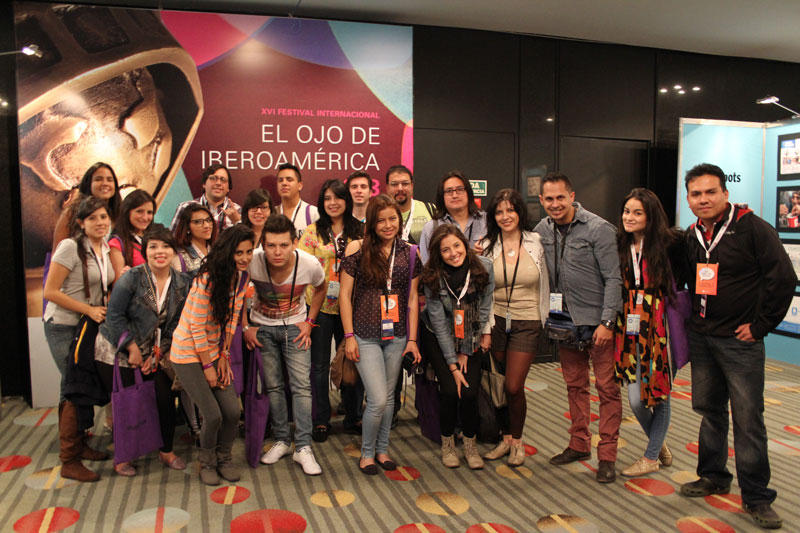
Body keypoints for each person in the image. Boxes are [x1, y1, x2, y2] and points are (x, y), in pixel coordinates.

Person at [679, 163, 796, 530]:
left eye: (710, 192)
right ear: (688, 198)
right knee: (709, 410)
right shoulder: (692, 234)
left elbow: (784, 278)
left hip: (739, 342)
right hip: (703, 338)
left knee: (748, 419)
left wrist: (761, 326)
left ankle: (757, 496)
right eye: (696, 194)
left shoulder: (752, 228)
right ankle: (713, 475)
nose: (703, 199)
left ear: (725, 193)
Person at [534, 172, 622, 483]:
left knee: (607, 389)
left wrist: (608, 321)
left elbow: (614, 278)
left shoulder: (599, 229)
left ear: (572, 196)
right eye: (549, 199)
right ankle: (579, 443)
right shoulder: (541, 230)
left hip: (597, 323)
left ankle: (607, 455)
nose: (555, 204)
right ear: (541, 200)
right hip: (563, 322)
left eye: (560, 197)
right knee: (575, 386)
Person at [94, 224, 190, 476]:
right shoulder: (132, 278)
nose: (160, 252)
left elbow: (176, 323)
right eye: (153, 246)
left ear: (174, 251)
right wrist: (131, 346)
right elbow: (114, 316)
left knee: (165, 397)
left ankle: (166, 451)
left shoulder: (182, 282)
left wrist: (160, 352)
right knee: (130, 402)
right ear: (145, 251)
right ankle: (123, 456)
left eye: (166, 246)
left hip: (154, 349)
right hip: (117, 347)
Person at [339, 194, 422, 475]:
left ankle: (382, 449)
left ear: (400, 220)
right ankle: (366, 453)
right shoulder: (357, 248)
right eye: (381, 220)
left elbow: (412, 299)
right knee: (377, 399)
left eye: (392, 219)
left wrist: (412, 340)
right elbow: (345, 295)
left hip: (397, 335)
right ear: (372, 223)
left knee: (389, 398)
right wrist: (349, 336)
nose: (388, 225)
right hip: (364, 334)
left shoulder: (410, 252)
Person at [170, 225, 254, 486]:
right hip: (187, 353)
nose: (244, 258)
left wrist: (224, 355)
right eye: (239, 252)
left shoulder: (242, 277)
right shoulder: (207, 279)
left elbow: (232, 320)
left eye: (249, 252)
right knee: (213, 415)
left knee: (232, 411)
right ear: (227, 252)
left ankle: (224, 458)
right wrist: (208, 365)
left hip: (214, 350)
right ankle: (206, 462)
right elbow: (195, 326)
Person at [244, 214, 327, 476]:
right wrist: (246, 326)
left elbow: (321, 288)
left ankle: (303, 446)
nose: (277, 252)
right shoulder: (253, 261)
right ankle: (281, 439)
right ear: (263, 245)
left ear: (294, 243)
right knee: (273, 386)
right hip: (263, 328)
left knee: (301, 386)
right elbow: (234, 292)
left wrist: (310, 321)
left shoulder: (309, 263)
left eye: (283, 245)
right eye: (271, 245)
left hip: (295, 328)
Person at [43, 196, 115, 482]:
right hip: (62, 325)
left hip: (86, 327)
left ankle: (81, 444)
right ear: (81, 223)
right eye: (93, 218)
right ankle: (69, 459)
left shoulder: (104, 247)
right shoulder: (70, 247)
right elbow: (50, 291)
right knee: (72, 388)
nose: (100, 222)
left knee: (80, 385)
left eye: (103, 217)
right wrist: (88, 309)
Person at [614, 188, 683, 477]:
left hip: (660, 327)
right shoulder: (620, 244)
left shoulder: (670, 245)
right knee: (635, 400)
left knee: (659, 394)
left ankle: (651, 456)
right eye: (626, 211)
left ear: (650, 216)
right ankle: (658, 442)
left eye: (637, 213)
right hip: (630, 328)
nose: (629, 217)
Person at [480, 189, 549, 466]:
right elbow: (482, 291)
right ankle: (505, 438)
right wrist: (485, 329)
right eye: (499, 212)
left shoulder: (537, 242)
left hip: (528, 320)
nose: (505, 216)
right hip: (496, 320)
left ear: (520, 212)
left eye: (510, 210)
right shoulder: (486, 245)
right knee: (498, 384)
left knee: (513, 385)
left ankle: (518, 441)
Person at [421, 224, 494, 469]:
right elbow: (439, 322)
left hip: (471, 334)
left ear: (464, 244)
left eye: (456, 246)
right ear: (438, 254)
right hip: (438, 336)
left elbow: (483, 311)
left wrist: (465, 350)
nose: (453, 253)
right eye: (445, 250)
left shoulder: (485, 267)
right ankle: (448, 444)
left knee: (470, 392)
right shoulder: (432, 276)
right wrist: (453, 364)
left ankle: (471, 445)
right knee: (451, 391)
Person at [298, 179, 365, 442]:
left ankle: (353, 415)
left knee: (352, 360)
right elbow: (301, 267)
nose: (332, 203)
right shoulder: (313, 232)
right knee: (319, 366)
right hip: (320, 307)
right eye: (327, 198)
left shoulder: (359, 230)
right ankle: (321, 419)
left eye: (337, 197)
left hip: (351, 306)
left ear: (346, 201)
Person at [419, 170, 487, 263]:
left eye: (460, 189)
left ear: (468, 192)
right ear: (442, 196)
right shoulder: (431, 228)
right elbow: (427, 265)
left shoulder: (486, 220)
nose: (455, 195)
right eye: (449, 191)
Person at [52, 162, 123, 251]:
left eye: (109, 180)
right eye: (98, 179)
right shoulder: (71, 213)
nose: (105, 183)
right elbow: (57, 253)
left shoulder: (121, 214)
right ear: (88, 184)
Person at [170, 164, 241, 233]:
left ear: (228, 188)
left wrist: (237, 221)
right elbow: (173, 239)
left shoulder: (237, 210)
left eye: (223, 180)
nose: (218, 183)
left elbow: (244, 239)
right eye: (213, 178)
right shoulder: (186, 207)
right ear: (204, 184)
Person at [110, 189, 156, 282]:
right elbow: (118, 285)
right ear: (127, 212)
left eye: (149, 212)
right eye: (139, 211)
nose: (145, 217)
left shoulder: (155, 238)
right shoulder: (117, 244)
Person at [384, 165, 434, 245]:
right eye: (394, 184)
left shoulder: (431, 209)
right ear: (387, 188)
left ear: (412, 186)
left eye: (405, 184)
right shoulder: (380, 214)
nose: (400, 188)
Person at [171, 203, 217, 276]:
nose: (206, 225)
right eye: (198, 222)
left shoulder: (218, 250)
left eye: (208, 220)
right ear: (187, 227)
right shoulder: (179, 255)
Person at [276, 163, 319, 236]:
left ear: (300, 186)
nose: (284, 183)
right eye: (280, 180)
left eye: (289, 180)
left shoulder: (313, 213)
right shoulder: (271, 213)